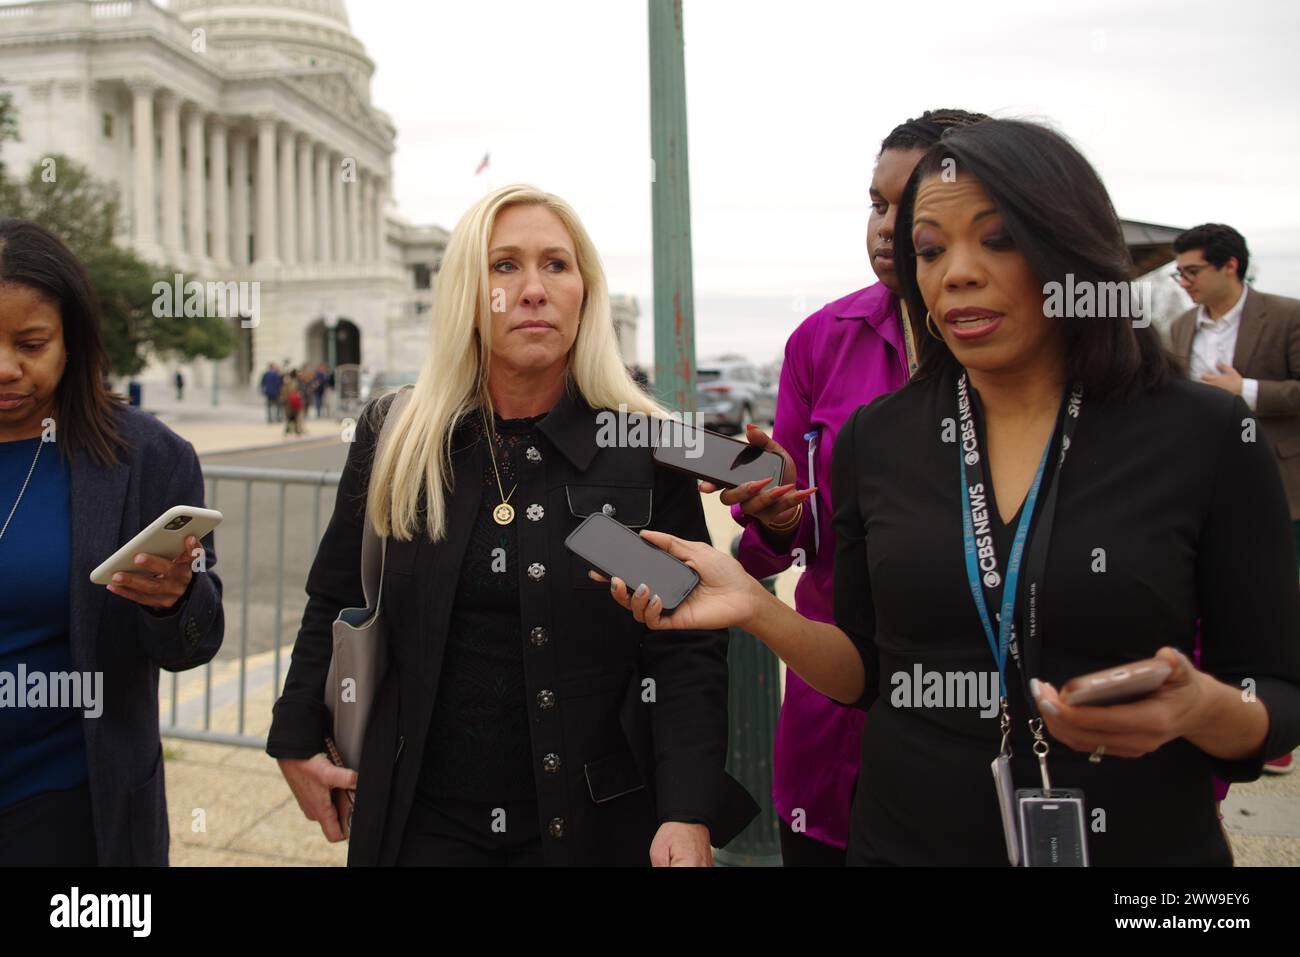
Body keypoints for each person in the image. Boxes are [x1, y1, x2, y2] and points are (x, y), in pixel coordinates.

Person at [599, 120, 1300, 866]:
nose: (954, 273)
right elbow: (867, 672)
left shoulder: (1207, 432)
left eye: (996, 240)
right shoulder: (880, 437)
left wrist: (1207, 709)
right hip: (906, 839)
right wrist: (756, 606)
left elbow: (1278, 698)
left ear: (1069, 249)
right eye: (929, 249)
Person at [267, 184, 757, 866]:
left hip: (594, 827)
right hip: (418, 823)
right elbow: (336, 597)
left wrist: (686, 810)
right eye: (505, 266)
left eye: (557, 264)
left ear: (584, 291)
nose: (534, 289)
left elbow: (683, 651)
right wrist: (294, 734)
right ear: (467, 292)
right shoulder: (395, 436)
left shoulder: (641, 450)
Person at [709, 108, 987, 866]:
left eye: (910, 206)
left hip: (981, 741)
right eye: (876, 203)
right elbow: (785, 551)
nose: (884, 227)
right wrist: (773, 514)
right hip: (834, 712)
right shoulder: (819, 341)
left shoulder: (1043, 369)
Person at [0, 219, 223, 865]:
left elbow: (196, 641)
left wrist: (174, 600)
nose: (6, 368)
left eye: (31, 342)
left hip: (69, 806)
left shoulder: (146, 458)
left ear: (72, 340)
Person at [1167, 223, 1300, 776]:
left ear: (1230, 267)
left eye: (1192, 271)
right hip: (1194, 489)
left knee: (1274, 604)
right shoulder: (1176, 327)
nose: (1184, 282)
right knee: (1211, 604)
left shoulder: (1287, 315)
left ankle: (1272, 729)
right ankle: (1217, 715)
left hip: (1279, 487)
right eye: (1179, 273)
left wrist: (1242, 391)